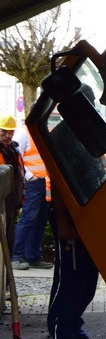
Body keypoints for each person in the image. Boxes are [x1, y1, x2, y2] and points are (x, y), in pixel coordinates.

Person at [47, 88, 106, 339]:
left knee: (86, 282)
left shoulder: (84, 133)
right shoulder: (61, 137)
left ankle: (74, 333)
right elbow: (59, 183)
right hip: (70, 220)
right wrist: (62, 222)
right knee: (70, 281)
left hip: (88, 216)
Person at [12, 124, 53, 270]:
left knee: (40, 220)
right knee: (29, 218)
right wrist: (29, 177)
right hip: (34, 183)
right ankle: (16, 256)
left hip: (44, 182)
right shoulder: (24, 134)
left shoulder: (44, 132)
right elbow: (17, 157)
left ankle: (33, 256)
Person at [0, 114, 25, 257]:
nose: (7, 135)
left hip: (10, 202)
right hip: (2, 201)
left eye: (10, 132)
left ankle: (5, 275)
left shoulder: (14, 151)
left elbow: (19, 177)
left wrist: (18, 202)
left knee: (8, 239)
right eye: (4, 131)